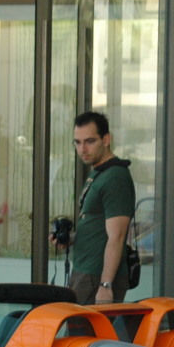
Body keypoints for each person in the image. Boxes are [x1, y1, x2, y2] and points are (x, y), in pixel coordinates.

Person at [67, 111, 135, 304]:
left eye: (89, 141)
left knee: (84, 333)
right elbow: (97, 226)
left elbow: (118, 235)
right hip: (85, 271)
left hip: (96, 277)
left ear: (106, 139)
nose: (82, 149)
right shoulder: (99, 173)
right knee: (78, 332)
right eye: (77, 142)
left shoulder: (115, 177)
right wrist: (70, 239)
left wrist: (106, 285)